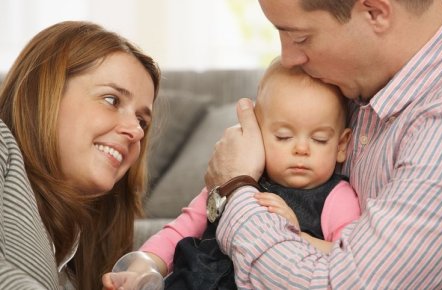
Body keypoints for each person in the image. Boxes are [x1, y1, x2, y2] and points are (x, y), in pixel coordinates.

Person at [205, 0, 442, 289]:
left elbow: (339, 284)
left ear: (375, 12)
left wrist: (234, 189)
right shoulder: (356, 77)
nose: (288, 59)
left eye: (300, 38)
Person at [102, 58, 360, 289]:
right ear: (256, 133)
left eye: (319, 139)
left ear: (340, 145)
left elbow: (345, 260)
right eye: (283, 136)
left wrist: (298, 236)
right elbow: (179, 232)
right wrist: (143, 267)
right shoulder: (228, 182)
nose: (301, 149)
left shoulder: (337, 198)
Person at [0, 21, 160, 289]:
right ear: (43, 92)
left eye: (142, 121)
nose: (136, 131)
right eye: (112, 100)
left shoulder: (76, 264)